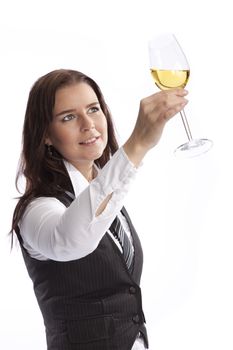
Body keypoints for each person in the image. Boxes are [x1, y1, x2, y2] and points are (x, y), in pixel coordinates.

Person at [11, 69, 188, 350]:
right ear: (45, 134)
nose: (88, 124)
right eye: (68, 117)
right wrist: (136, 145)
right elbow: (70, 241)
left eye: (93, 109)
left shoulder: (108, 190)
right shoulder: (36, 209)